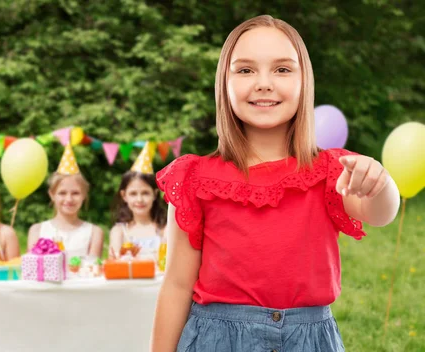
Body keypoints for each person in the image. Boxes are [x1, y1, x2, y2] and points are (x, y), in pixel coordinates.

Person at [151, 15, 400, 352]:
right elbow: (177, 286)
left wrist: (380, 184)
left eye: (282, 69)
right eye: (245, 70)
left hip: (309, 340)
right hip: (216, 341)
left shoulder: (332, 169)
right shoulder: (195, 178)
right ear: (223, 83)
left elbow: (380, 213)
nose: (264, 83)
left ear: (304, 81)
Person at [28, 143, 104, 260]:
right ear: (52, 195)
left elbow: (92, 270)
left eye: (75, 193)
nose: (69, 199)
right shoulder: (37, 231)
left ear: (84, 195)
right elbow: (33, 268)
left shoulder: (94, 233)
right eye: (62, 193)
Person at [109, 142, 166, 259]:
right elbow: (115, 264)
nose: (139, 199)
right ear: (124, 196)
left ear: (155, 194)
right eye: (133, 194)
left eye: (145, 193)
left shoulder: (164, 230)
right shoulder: (119, 232)